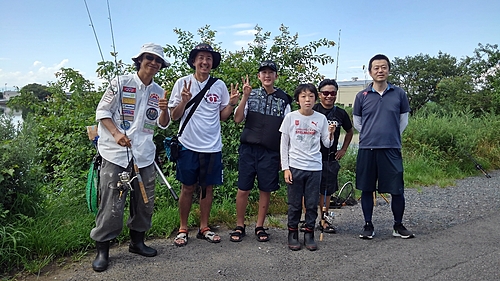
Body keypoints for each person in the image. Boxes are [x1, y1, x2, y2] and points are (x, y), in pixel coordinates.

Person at [90, 43, 171, 272]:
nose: (153, 63)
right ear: (140, 60)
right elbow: (102, 112)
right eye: (149, 58)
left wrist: (164, 110)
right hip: (115, 154)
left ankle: (137, 242)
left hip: (144, 155)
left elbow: (162, 125)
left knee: (144, 203)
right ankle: (103, 250)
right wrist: (116, 134)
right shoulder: (120, 82)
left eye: (158, 61)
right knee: (112, 203)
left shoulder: (158, 91)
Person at [168, 43, 239, 246]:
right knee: (187, 187)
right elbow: (174, 116)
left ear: (212, 63)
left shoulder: (219, 85)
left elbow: (223, 117)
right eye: (201, 57)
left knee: (207, 188)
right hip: (188, 144)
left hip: (212, 146)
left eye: (208, 58)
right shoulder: (182, 83)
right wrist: (183, 101)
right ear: (193, 61)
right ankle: (183, 228)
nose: (205, 62)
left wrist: (232, 104)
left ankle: (204, 227)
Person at [352, 54, 414, 239]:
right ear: (370, 72)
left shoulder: (399, 93)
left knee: (397, 189)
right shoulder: (361, 96)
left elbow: (403, 121)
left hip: (391, 148)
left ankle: (398, 225)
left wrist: (390, 135)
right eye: (376, 68)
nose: (380, 70)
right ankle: (368, 225)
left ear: (388, 70)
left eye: (384, 67)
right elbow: (358, 123)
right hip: (367, 148)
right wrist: (372, 135)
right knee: (366, 188)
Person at [230, 61, 292, 242]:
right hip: (248, 149)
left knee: (266, 189)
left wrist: (284, 155)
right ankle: (239, 225)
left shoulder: (284, 99)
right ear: (259, 76)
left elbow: (288, 131)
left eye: (270, 72)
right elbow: (237, 119)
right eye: (263, 72)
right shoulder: (251, 94)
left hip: (271, 152)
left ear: (276, 76)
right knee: (243, 189)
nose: (267, 76)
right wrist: (244, 97)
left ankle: (260, 226)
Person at [280, 83, 335, 251]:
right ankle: (292, 233)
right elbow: (284, 144)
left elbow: (327, 143)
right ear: (298, 100)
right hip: (295, 166)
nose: (307, 100)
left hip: (315, 167)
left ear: (315, 98)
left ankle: (309, 233)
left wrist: (331, 133)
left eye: (311, 96)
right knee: (294, 204)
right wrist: (285, 168)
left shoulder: (321, 118)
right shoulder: (290, 117)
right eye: (303, 96)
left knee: (311, 204)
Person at [313, 78, 353, 233]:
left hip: (330, 158)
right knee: (307, 190)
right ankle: (306, 220)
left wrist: (343, 149)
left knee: (327, 191)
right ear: (319, 94)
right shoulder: (313, 109)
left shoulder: (341, 113)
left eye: (333, 93)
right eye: (325, 93)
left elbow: (350, 131)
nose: (329, 96)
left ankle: (324, 220)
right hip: (311, 157)